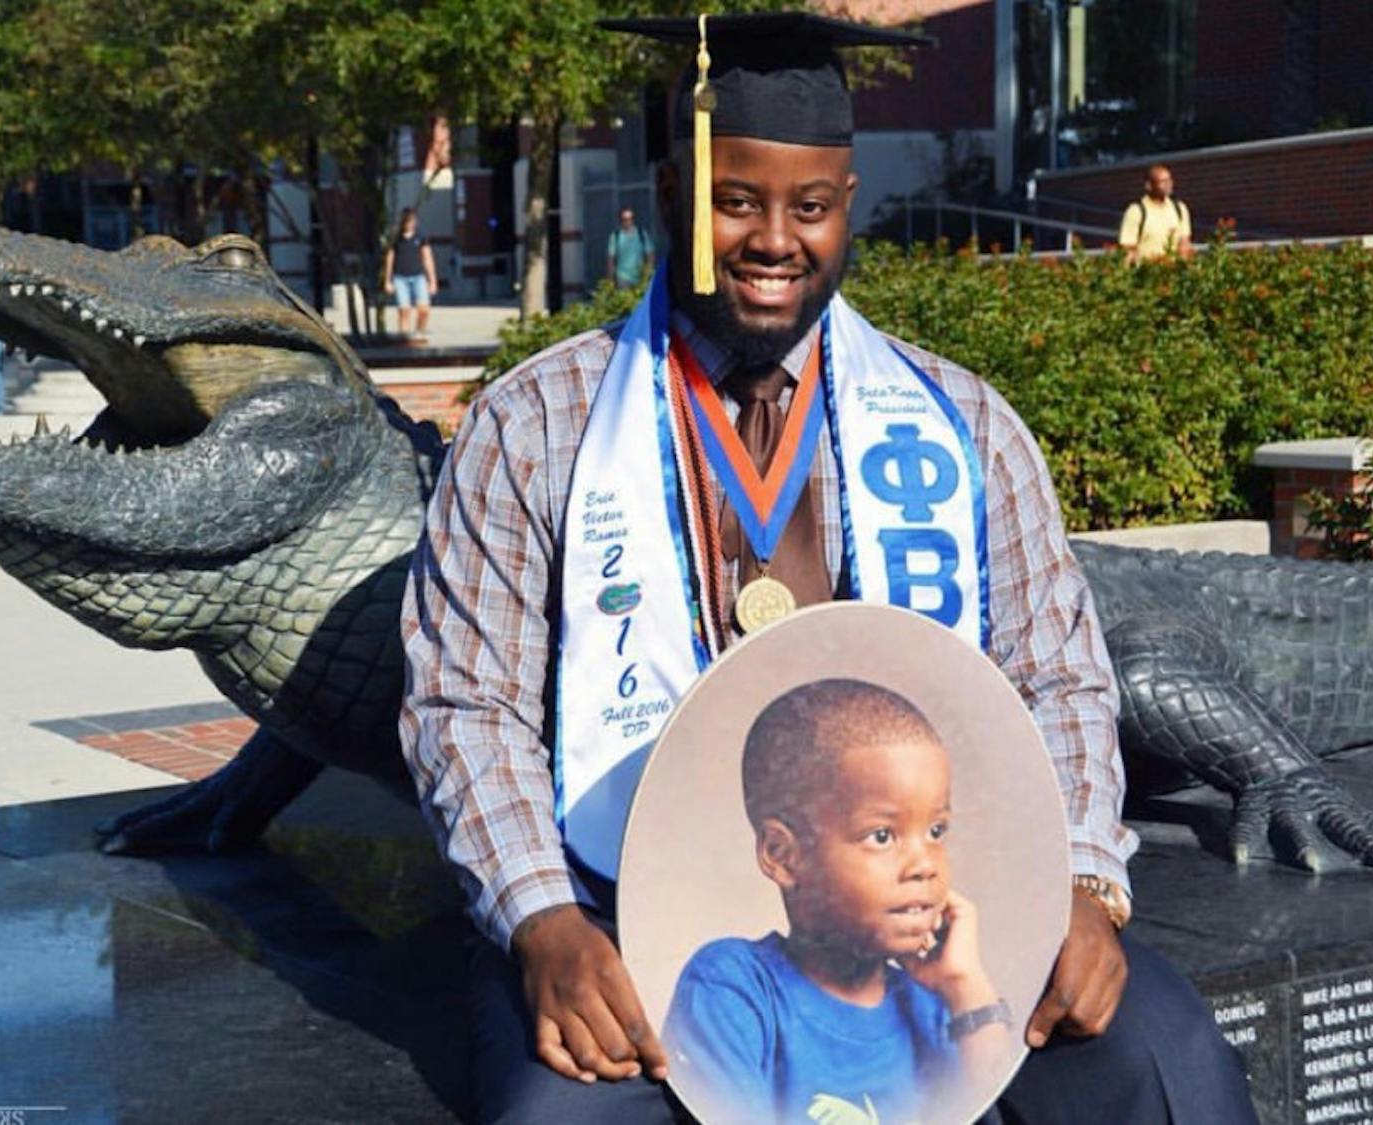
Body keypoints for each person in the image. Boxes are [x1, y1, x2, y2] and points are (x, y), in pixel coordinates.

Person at [400, 12, 1256, 1124]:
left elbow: (1058, 680)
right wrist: (542, 922)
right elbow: (468, 704)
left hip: (933, 916)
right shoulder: (537, 427)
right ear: (670, 194)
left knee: (1162, 1064)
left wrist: (1083, 882)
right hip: (622, 912)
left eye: (808, 207)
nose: (773, 240)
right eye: (735, 200)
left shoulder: (961, 427)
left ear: (847, 208)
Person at [663, 679, 1006, 1125]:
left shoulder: (936, 1009)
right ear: (782, 855)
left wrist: (966, 988)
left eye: (936, 831)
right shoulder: (735, 989)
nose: (925, 865)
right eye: (882, 836)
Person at [1119, 164, 1194, 264]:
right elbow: (1128, 248)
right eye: (1163, 181)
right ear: (1149, 186)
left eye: (1170, 180)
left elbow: (1184, 242)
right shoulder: (1137, 211)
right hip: (1147, 274)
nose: (1169, 184)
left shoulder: (1179, 208)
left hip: (1173, 273)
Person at [382, 207, 438, 339]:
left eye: (413, 221)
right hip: (400, 277)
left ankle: (420, 333)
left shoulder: (421, 236)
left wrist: (433, 281)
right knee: (404, 311)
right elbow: (390, 258)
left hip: (418, 276)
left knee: (424, 310)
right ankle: (404, 339)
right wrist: (387, 280)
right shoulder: (395, 237)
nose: (411, 224)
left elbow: (427, 258)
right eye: (408, 221)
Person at [607, 207, 655, 288]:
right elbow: (610, 258)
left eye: (630, 219)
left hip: (640, 277)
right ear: (621, 221)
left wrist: (648, 274)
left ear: (633, 220)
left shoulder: (641, 234)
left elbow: (650, 254)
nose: (627, 222)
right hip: (622, 276)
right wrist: (610, 279)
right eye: (624, 219)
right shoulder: (615, 236)